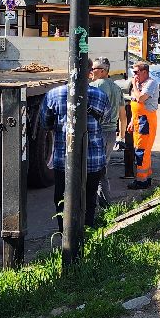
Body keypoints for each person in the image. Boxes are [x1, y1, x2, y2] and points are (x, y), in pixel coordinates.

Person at [41, 75, 109, 233]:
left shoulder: (53, 94)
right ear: (89, 73)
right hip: (93, 160)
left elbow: (46, 123)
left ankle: (65, 235)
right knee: (89, 197)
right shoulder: (99, 95)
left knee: (62, 198)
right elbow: (105, 120)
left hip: (64, 160)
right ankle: (87, 233)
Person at [89, 58, 125, 197]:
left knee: (94, 170)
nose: (91, 71)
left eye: (94, 69)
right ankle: (104, 202)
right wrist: (121, 136)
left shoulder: (96, 86)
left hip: (98, 132)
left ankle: (102, 203)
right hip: (111, 133)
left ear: (103, 71)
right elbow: (123, 115)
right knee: (103, 168)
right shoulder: (117, 88)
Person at [127, 61, 160, 189]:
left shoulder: (150, 83)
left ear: (144, 72)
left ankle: (141, 181)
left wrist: (135, 85)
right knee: (140, 149)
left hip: (146, 121)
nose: (134, 75)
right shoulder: (139, 83)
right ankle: (146, 177)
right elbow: (134, 104)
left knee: (142, 151)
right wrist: (131, 121)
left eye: (136, 72)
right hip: (138, 120)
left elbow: (141, 99)